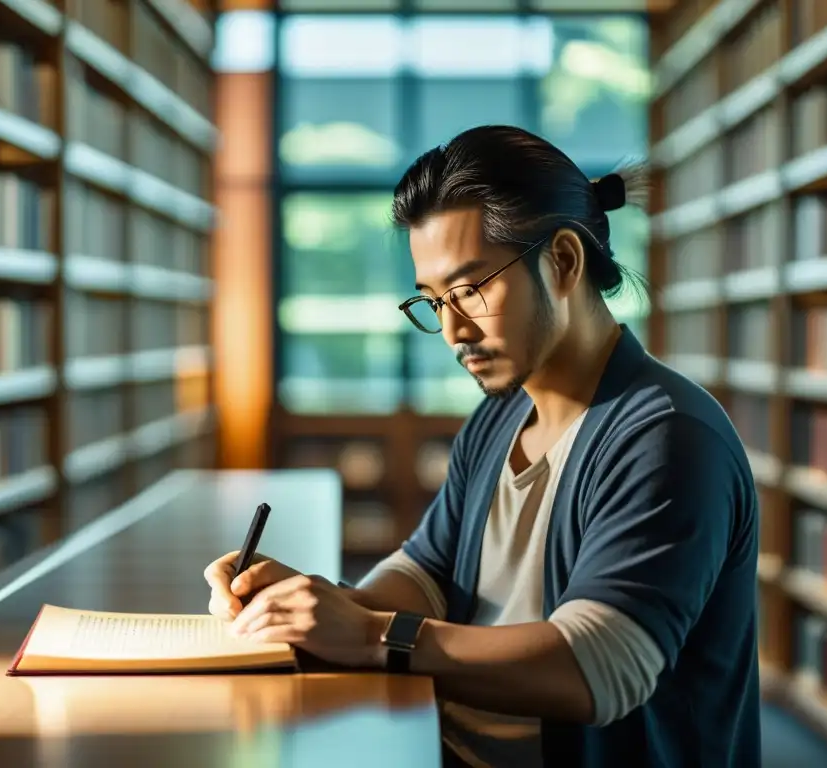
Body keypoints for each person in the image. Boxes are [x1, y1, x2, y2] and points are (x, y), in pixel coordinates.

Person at [204, 125, 761, 768]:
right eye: (433, 300)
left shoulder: (667, 438)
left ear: (563, 262)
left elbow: (598, 670)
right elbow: (427, 574)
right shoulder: (501, 413)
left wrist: (367, 634)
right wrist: (314, 603)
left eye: (470, 291)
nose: (451, 330)